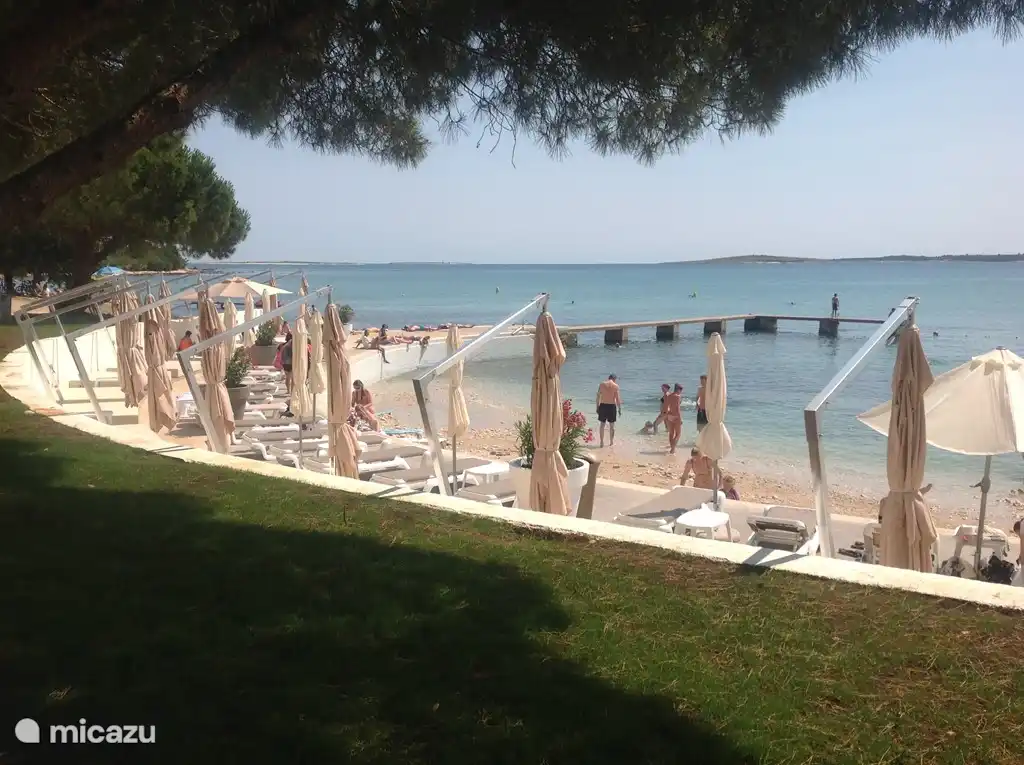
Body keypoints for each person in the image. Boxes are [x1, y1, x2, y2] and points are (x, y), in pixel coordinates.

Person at [596, 373, 622, 447]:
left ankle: (601, 442)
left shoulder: (602, 384)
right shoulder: (616, 386)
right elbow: (618, 399)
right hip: (611, 407)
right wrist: (619, 409)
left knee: (602, 425)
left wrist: (597, 407)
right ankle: (611, 442)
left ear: (608, 378)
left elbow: (598, 396)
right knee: (612, 426)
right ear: (614, 379)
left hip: (603, 405)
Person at [664, 383, 683, 454]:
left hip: (670, 415)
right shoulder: (677, 396)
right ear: (678, 389)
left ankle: (672, 448)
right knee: (678, 434)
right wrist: (680, 419)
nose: (681, 392)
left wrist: (666, 416)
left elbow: (666, 407)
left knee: (671, 433)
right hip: (676, 416)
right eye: (681, 390)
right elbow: (678, 409)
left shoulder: (669, 396)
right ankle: (672, 449)